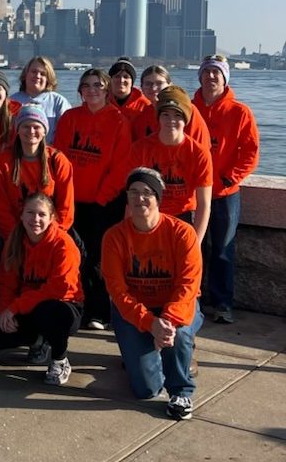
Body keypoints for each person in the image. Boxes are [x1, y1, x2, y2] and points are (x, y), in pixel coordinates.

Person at [102, 168, 204, 421]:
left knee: (178, 335)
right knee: (146, 390)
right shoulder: (114, 237)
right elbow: (117, 291)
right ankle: (148, 355)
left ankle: (182, 390)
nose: (140, 199)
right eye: (134, 192)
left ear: (158, 198)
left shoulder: (182, 233)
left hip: (174, 308)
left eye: (147, 193)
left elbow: (188, 286)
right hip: (135, 310)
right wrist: (149, 323)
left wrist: (166, 322)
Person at [54, 68, 131, 328]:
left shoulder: (118, 120)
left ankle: (100, 311)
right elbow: (60, 158)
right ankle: (78, 304)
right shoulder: (69, 118)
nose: (92, 90)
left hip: (103, 203)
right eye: (86, 85)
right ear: (80, 91)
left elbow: (122, 165)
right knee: (75, 255)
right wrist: (64, 194)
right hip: (71, 201)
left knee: (98, 258)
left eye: (97, 85)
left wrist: (102, 197)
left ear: (107, 90)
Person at [191, 55, 260, 324]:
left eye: (216, 73)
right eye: (206, 72)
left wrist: (231, 178)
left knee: (222, 250)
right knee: (193, 249)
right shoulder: (189, 108)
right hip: (194, 193)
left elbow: (251, 152)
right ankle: (192, 300)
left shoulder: (240, 112)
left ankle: (222, 303)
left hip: (224, 194)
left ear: (225, 78)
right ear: (200, 76)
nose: (210, 77)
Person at [0, 193, 83, 386]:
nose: (35, 219)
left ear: (52, 218)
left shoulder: (63, 244)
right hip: (28, 306)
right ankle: (39, 341)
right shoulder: (15, 242)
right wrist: (6, 309)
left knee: (48, 312)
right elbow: (5, 282)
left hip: (64, 307)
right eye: (30, 213)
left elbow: (58, 288)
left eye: (41, 214)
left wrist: (16, 307)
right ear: (21, 215)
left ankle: (60, 360)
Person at [120, 86, 212, 243]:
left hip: (183, 218)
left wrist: (195, 242)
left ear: (186, 119)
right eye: (165, 115)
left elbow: (204, 205)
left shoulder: (199, 153)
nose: (171, 121)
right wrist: (128, 236)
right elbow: (132, 197)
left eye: (177, 115)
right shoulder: (140, 149)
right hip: (147, 215)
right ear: (158, 118)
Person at [0, 105, 74, 262]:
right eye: (26, 126)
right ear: (17, 130)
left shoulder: (57, 161)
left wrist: (49, 238)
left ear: (45, 131)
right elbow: (0, 208)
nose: (31, 131)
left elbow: (66, 209)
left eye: (36, 126)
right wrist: (17, 238)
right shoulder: (3, 162)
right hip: (15, 233)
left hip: (50, 233)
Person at [132, 65, 209, 147]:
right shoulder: (142, 117)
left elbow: (201, 147)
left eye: (159, 83)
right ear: (142, 87)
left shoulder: (187, 110)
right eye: (148, 84)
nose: (154, 88)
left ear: (170, 85)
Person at [10, 56, 70, 144]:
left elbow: (67, 134)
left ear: (48, 79)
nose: (37, 76)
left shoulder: (59, 102)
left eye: (42, 74)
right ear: (25, 74)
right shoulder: (12, 101)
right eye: (34, 72)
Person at [107, 57, 150, 128]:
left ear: (132, 81)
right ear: (110, 79)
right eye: (117, 76)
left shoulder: (145, 105)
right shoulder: (102, 102)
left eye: (126, 77)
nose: (121, 80)